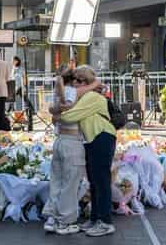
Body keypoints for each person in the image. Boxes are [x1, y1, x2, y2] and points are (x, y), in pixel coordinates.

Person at [43, 67, 101, 235]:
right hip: (73, 141)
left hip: (60, 139)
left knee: (57, 181)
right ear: (78, 81)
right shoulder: (77, 93)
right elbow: (66, 107)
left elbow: (54, 113)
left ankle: (52, 218)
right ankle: (65, 222)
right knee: (70, 183)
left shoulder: (64, 91)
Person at [61, 66, 116, 237]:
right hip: (94, 139)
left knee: (101, 181)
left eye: (77, 80)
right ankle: (95, 218)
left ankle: (105, 222)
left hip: (102, 137)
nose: (74, 84)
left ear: (84, 82)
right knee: (94, 181)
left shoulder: (91, 97)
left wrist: (62, 110)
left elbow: (69, 115)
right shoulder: (87, 96)